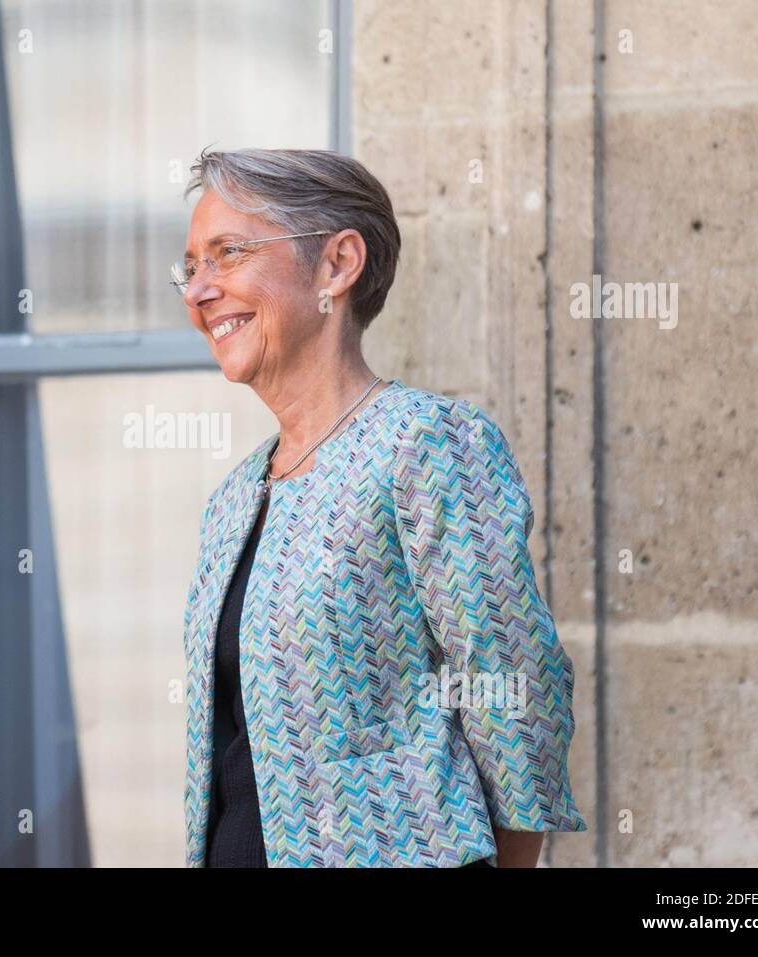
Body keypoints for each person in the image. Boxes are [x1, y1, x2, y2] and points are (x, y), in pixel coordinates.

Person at [177, 147, 586, 868]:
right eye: (190, 267)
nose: (199, 290)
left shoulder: (424, 444)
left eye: (228, 254)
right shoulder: (233, 499)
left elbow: (514, 683)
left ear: (337, 265)